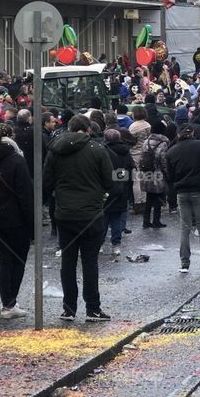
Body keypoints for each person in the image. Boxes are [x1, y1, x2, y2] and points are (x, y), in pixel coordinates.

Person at [44, 114, 113, 321]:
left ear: (69, 128)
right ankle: (93, 308)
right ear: (88, 129)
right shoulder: (98, 150)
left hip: (64, 213)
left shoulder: (55, 149)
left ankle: (69, 308)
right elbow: (109, 181)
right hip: (91, 213)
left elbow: (47, 181)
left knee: (68, 261)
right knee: (90, 262)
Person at [0, 123, 33, 319]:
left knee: (4, 258)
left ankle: (6, 302)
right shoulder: (17, 160)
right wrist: (32, 224)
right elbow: (26, 194)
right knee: (18, 259)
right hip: (16, 217)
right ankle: (11, 303)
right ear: (11, 137)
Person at [166, 123, 200, 273]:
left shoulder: (171, 151)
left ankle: (184, 264)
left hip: (181, 191)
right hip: (199, 190)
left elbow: (170, 175)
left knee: (184, 228)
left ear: (178, 134)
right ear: (192, 133)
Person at [101, 129, 134, 257]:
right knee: (116, 218)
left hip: (106, 187)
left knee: (104, 216)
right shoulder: (126, 151)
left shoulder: (103, 150)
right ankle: (116, 245)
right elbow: (128, 171)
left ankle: (100, 243)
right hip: (121, 188)